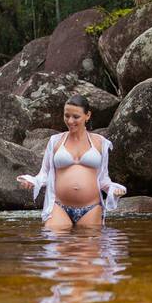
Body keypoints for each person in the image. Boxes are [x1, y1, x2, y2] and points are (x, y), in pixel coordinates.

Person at [17, 95, 127, 228]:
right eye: (66, 116)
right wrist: (33, 181)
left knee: (89, 240)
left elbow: (103, 179)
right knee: (53, 237)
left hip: (91, 208)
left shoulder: (101, 143)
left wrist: (114, 189)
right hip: (59, 206)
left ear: (87, 115)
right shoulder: (55, 141)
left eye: (76, 117)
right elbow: (45, 173)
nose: (70, 121)